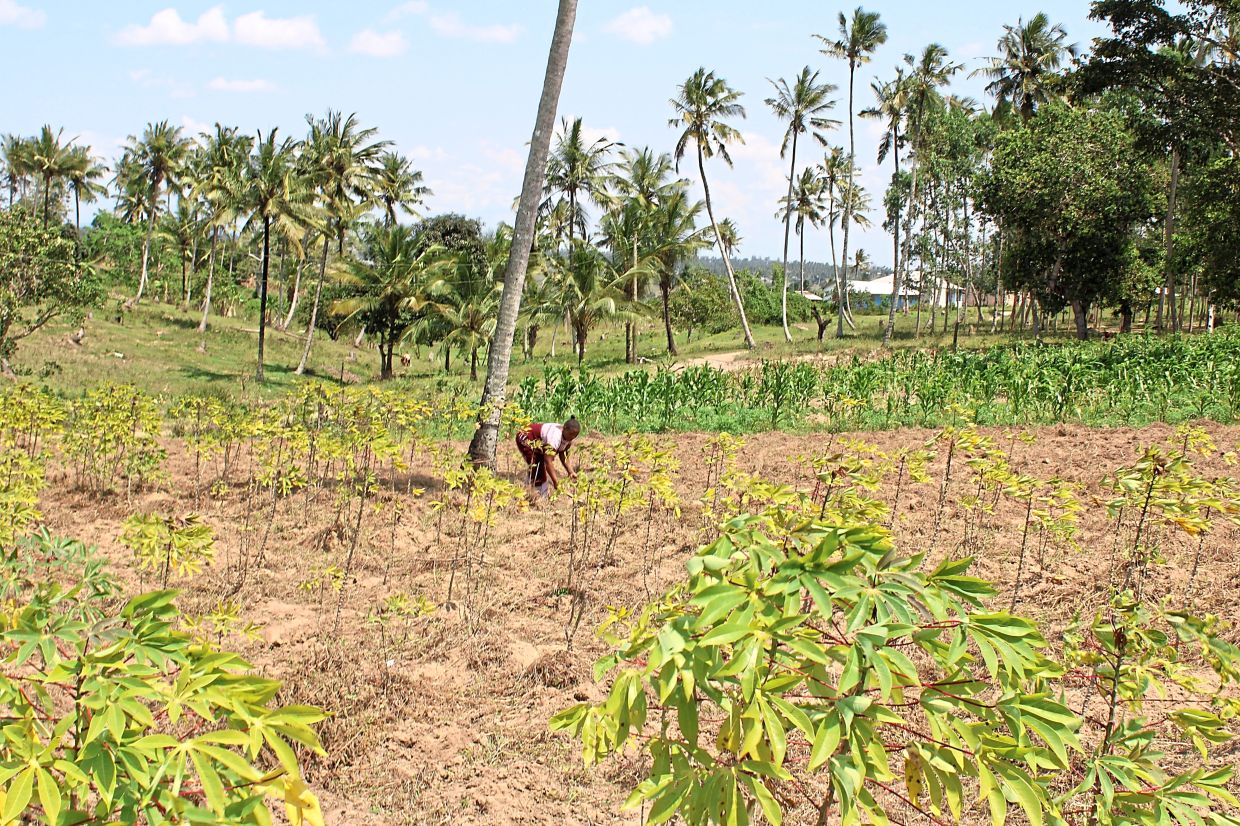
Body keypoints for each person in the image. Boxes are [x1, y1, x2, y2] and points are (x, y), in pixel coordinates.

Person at [516, 417, 580, 497]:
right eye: (570, 434)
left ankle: (530, 488)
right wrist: (555, 482)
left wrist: (570, 471)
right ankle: (538, 495)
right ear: (564, 428)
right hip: (525, 436)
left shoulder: (567, 438)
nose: (572, 438)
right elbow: (548, 462)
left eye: (575, 436)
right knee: (537, 466)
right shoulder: (555, 437)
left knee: (537, 468)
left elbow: (563, 455)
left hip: (538, 443)